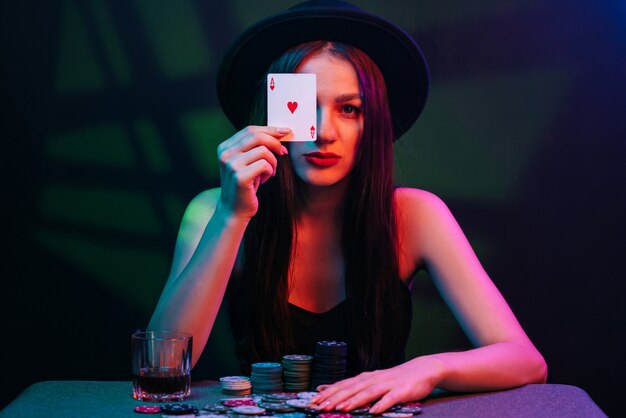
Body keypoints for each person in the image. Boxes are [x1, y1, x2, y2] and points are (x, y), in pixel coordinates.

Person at [148, 0, 547, 413]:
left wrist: (427, 369)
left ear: (372, 124)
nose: (324, 132)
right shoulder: (210, 210)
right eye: (303, 108)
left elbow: (525, 360)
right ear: (269, 115)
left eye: (349, 109)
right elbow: (163, 367)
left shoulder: (415, 215)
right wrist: (232, 216)